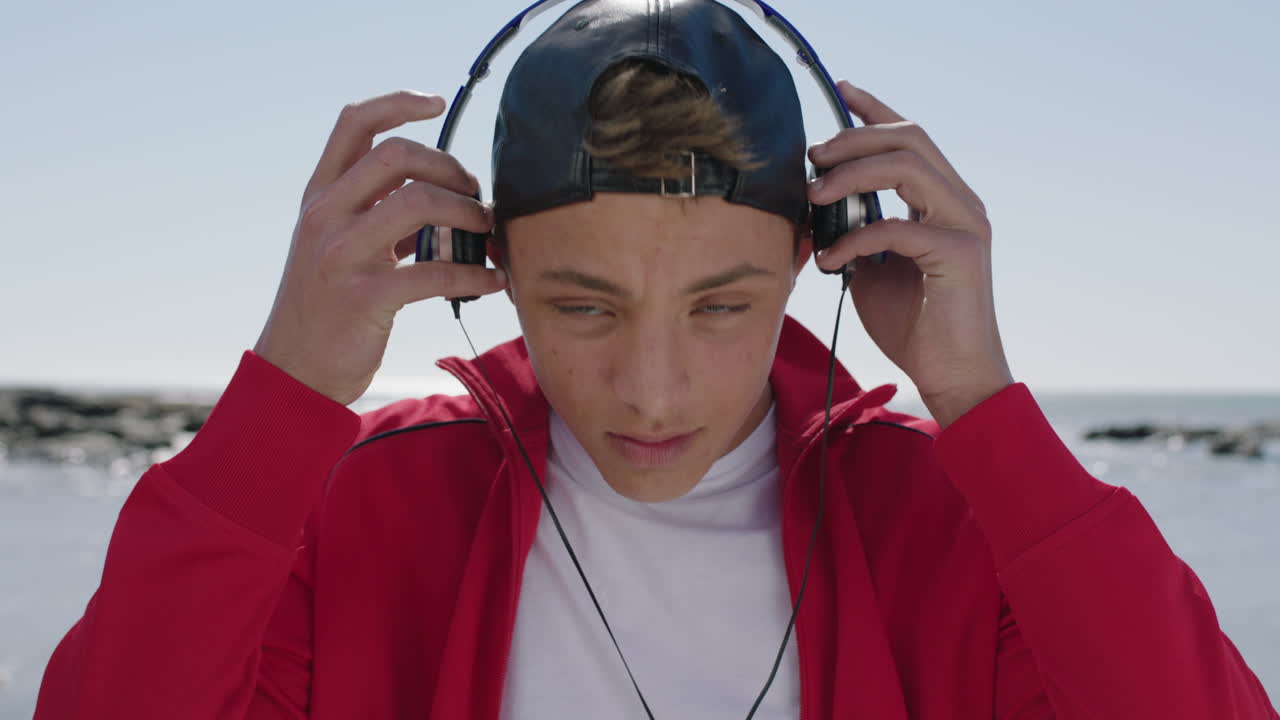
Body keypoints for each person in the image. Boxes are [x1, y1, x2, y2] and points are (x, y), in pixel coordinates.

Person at [34, 1, 1278, 718]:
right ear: (482, 263)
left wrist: (981, 404)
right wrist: (287, 392)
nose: (651, 389)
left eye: (720, 306)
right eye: (582, 307)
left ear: (814, 256)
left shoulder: (942, 522)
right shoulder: (366, 509)